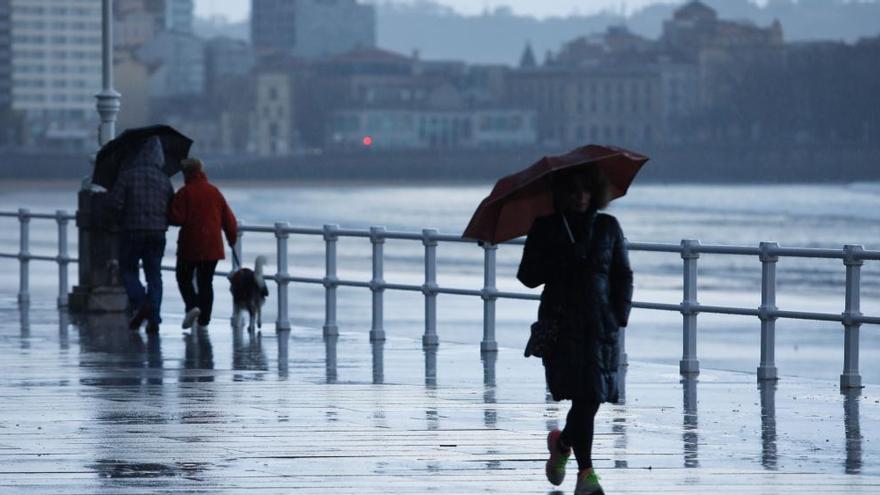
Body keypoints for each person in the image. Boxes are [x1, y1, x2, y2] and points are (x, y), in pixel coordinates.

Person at [516, 167, 633, 495]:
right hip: (562, 323)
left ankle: (564, 444)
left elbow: (622, 274)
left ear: (594, 193)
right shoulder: (546, 228)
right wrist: (560, 258)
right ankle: (586, 473)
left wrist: (618, 315)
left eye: (585, 190)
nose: (580, 197)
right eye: (573, 190)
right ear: (562, 194)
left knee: (591, 397)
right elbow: (526, 275)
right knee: (583, 395)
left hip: (600, 326)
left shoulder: (608, 227)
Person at [107, 136, 174, 333]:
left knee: (128, 270)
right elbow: (172, 206)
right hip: (157, 233)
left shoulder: (128, 175)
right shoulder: (164, 179)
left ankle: (141, 302)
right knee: (154, 275)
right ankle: (153, 317)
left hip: (132, 231)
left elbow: (115, 204)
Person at [168, 158, 237, 330]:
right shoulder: (214, 191)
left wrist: (169, 206)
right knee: (206, 281)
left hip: (190, 244)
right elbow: (229, 219)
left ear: (186, 173)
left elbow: (177, 218)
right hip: (212, 245)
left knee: (183, 277)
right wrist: (232, 238)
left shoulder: (184, 193)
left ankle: (192, 306)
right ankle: (205, 318)